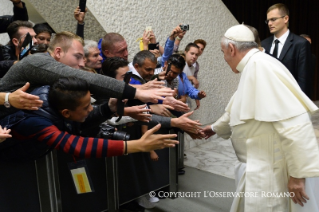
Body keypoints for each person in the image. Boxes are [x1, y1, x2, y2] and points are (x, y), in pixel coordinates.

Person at [202, 24, 319, 212]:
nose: (224, 58)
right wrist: (214, 128)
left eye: (223, 52)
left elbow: (295, 124)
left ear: (231, 49)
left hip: (271, 172)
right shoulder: (255, 65)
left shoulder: (261, 67)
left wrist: (298, 176)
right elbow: (238, 107)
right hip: (260, 166)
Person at [0, 31, 175, 120]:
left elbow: (93, 92)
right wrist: (137, 93)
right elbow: (89, 79)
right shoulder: (37, 62)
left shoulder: (50, 68)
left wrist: (136, 88)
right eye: (77, 57)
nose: (82, 64)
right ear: (58, 52)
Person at [0, 77, 178, 162]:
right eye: (86, 107)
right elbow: (75, 145)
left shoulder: (59, 97)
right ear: (66, 113)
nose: (90, 108)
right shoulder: (36, 120)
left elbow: (80, 119)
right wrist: (138, 145)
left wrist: (108, 109)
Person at [261, 3, 313, 98]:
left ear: (286, 19)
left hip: (291, 101)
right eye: (268, 20)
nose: (269, 23)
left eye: (273, 19)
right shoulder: (263, 44)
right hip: (267, 100)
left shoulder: (300, 44)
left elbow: (304, 80)